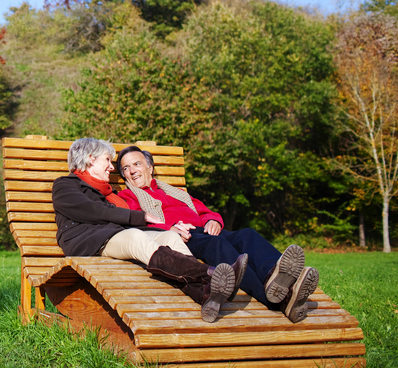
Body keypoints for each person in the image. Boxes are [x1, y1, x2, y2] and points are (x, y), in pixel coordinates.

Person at [115, 145, 319, 323]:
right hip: (186, 237)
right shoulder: (127, 196)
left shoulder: (173, 191)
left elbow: (204, 211)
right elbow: (138, 223)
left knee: (247, 235)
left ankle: (275, 274)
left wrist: (213, 220)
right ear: (123, 176)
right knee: (219, 247)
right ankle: (280, 300)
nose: (132, 171)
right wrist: (169, 229)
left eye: (136, 164)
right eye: (126, 168)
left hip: (206, 229)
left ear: (149, 167)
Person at [52, 137, 247, 323]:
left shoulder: (108, 194)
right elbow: (91, 211)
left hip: (114, 235)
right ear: (90, 159)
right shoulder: (65, 185)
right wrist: (141, 216)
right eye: (107, 160)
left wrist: (170, 228)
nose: (111, 167)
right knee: (136, 237)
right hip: (89, 241)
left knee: (169, 237)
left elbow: (115, 218)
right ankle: (211, 274)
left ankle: (205, 295)